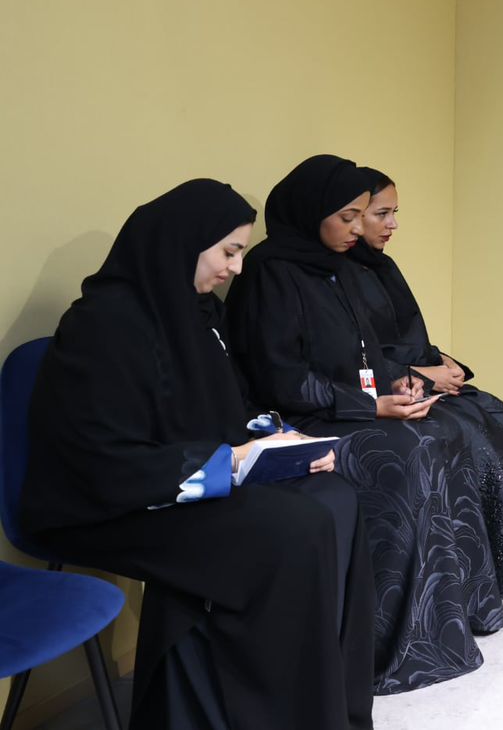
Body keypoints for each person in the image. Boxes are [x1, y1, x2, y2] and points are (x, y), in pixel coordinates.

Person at [21, 179, 374, 729]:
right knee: (292, 526)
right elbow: (102, 459)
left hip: (178, 475)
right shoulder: (102, 324)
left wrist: (282, 441)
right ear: (183, 243)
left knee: (336, 496)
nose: (236, 267)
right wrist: (230, 462)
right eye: (229, 252)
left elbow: (230, 408)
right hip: (104, 504)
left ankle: (330, 708)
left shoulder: (198, 313)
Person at [226, 155, 503, 694]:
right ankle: (388, 640)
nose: (357, 229)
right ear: (312, 212)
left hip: (349, 407)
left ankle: (451, 615)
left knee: (441, 431)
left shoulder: (337, 268)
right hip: (295, 421)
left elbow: (364, 355)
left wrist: (397, 387)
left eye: (361, 216)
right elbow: (281, 379)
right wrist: (372, 407)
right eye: (347, 217)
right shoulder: (269, 272)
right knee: (407, 450)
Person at [347, 167, 503, 596]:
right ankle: (471, 580)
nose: (392, 224)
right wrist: (422, 374)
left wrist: (442, 359)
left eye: (395, 213)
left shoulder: (382, 266)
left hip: (420, 373)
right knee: (469, 436)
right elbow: (358, 352)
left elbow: (404, 334)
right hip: (390, 387)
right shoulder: (341, 275)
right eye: (381, 214)